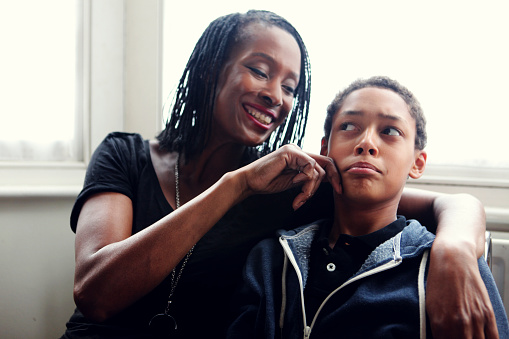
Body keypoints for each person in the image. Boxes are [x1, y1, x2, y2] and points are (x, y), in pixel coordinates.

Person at [61, 10, 494, 339]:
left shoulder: (291, 186)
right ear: (212, 69)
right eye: (260, 71)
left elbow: (447, 204)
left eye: (290, 88)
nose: (276, 97)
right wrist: (236, 185)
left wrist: (455, 250)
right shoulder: (125, 155)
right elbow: (97, 294)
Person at [227, 76, 509, 338]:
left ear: (417, 162)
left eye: (390, 131)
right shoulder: (271, 258)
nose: (366, 143)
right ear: (325, 149)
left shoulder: (448, 268)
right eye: (349, 127)